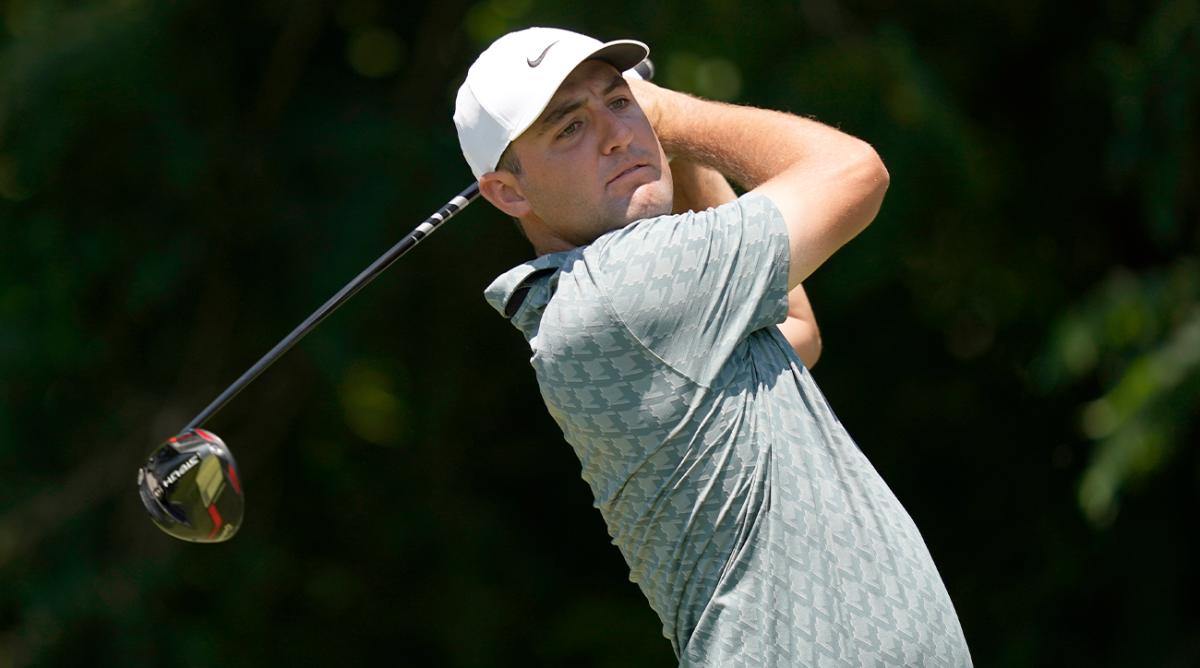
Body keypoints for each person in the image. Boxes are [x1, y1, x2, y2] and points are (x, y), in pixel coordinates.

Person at [453, 26, 972, 667]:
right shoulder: (624, 285)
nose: (619, 132)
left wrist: (674, 153)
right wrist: (670, 115)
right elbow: (854, 172)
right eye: (569, 128)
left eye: (620, 102)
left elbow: (796, 333)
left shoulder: (623, 304)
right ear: (509, 191)